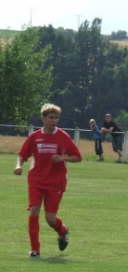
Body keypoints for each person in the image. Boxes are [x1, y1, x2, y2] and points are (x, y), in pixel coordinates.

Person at [13, 104, 82, 257]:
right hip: (36, 180)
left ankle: (63, 231)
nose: (54, 121)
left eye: (56, 118)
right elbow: (22, 155)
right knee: (34, 211)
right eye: (51, 118)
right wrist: (18, 166)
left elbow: (78, 157)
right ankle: (35, 249)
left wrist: (62, 158)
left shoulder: (63, 136)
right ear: (43, 118)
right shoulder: (35, 137)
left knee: (50, 219)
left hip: (56, 182)